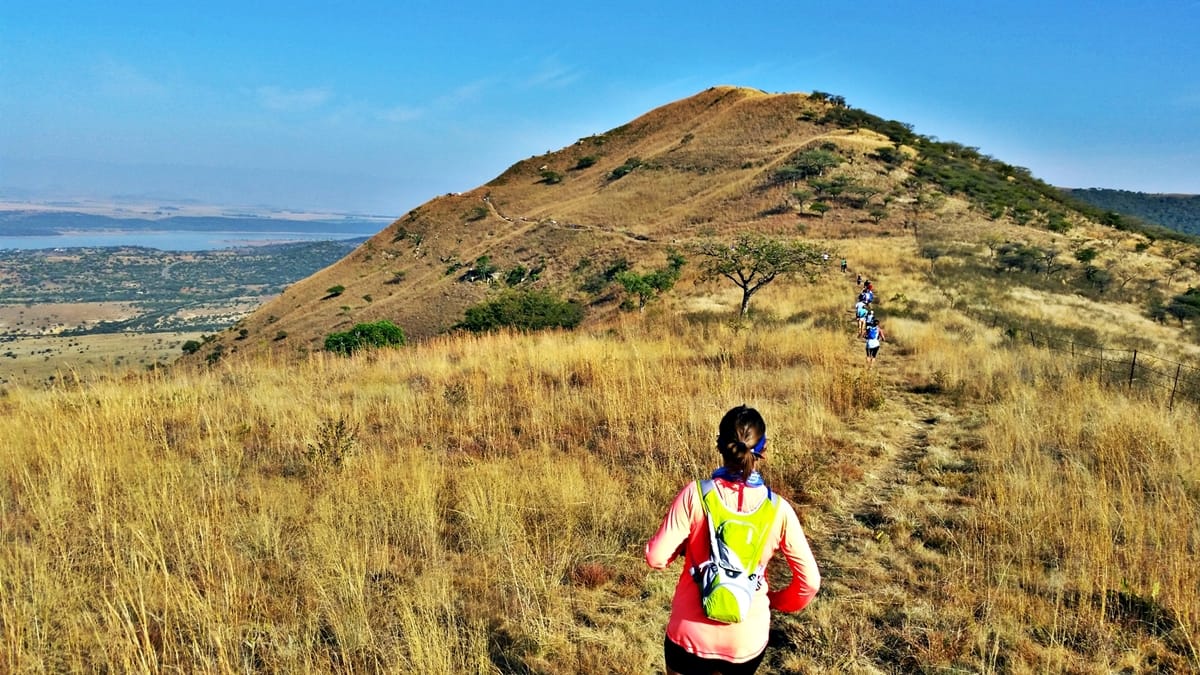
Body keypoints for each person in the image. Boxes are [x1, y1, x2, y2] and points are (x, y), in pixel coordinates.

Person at [646, 405, 820, 675]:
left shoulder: (695, 495)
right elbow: (809, 583)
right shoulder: (779, 510)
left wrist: (683, 551)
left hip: (689, 635)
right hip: (745, 641)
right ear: (764, 450)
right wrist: (775, 600)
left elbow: (656, 557)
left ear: (720, 445)